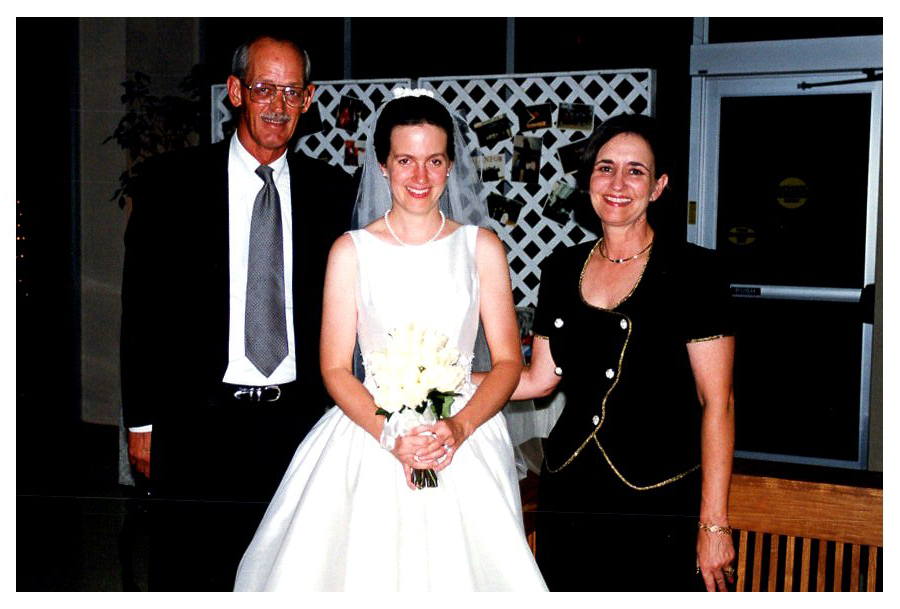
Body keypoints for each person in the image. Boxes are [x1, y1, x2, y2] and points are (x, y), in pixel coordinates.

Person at [233, 91, 547, 591]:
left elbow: (508, 362)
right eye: (405, 160)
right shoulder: (351, 251)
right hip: (371, 436)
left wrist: (459, 427)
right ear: (382, 165)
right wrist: (391, 436)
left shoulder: (481, 248)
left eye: (434, 160)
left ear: (450, 166)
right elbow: (335, 368)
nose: (420, 176)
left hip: (460, 437)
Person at [120, 34, 355, 589]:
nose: (277, 104)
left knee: (288, 579)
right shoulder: (170, 183)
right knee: (190, 576)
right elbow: (142, 308)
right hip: (198, 424)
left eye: (291, 91)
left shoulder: (334, 193)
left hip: (299, 425)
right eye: (263, 88)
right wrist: (143, 421)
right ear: (234, 92)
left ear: (308, 99)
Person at [510, 113, 736, 591]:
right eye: (605, 168)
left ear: (658, 187)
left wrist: (714, 524)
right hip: (569, 491)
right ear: (588, 180)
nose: (617, 183)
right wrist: (445, 379)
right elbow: (539, 380)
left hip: (658, 498)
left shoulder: (696, 273)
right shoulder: (560, 268)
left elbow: (718, 403)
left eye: (636, 171)